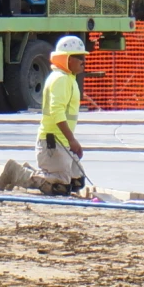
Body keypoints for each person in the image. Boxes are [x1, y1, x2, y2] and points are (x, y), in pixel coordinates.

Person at [33, 34, 89, 195]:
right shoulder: (60, 79)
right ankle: (20, 175)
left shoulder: (68, 78)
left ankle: (52, 173)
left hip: (62, 142)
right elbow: (57, 112)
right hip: (52, 143)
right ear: (67, 59)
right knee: (60, 188)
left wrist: (70, 141)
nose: (83, 61)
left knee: (77, 182)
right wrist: (72, 140)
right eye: (79, 57)